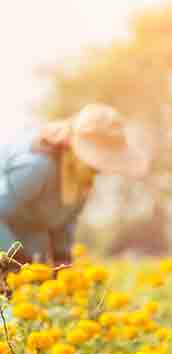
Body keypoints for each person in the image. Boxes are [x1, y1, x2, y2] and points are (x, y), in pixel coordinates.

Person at [0, 104, 149, 272]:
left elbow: (64, 224)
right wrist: (13, 258)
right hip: (5, 238)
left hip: (28, 239)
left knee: (33, 287)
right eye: (95, 165)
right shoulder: (36, 168)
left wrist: (62, 261)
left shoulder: (81, 183)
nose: (98, 172)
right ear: (75, 149)